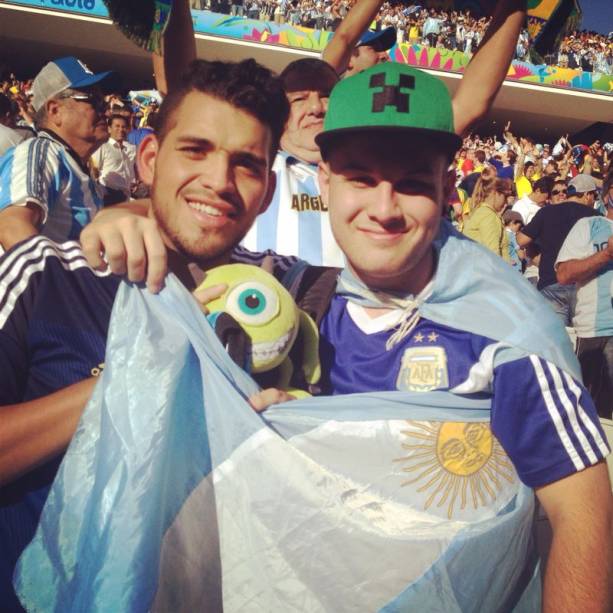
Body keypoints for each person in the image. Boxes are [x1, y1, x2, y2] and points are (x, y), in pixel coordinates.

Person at [80, 62, 612, 610]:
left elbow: (583, 514)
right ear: (325, 182)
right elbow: (197, 239)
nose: (384, 210)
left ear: (447, 188)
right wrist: (129, 213)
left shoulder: (512, 330)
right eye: (360, 178)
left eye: (410, 184)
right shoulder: (297, 290)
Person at [0, 59, 292, 612]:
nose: (218, 181)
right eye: (196, 150)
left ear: (269, 189)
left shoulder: (290, 296)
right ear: (151, 157)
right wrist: (137, 374)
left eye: (246, 165)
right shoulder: (46, 273)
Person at [103, 0, 531, 268]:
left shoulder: (375, 170)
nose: (315, 107)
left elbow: (470, 105)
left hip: (349, 346)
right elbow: (183, 87)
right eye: (298, 99)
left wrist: (515, 6)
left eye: (326, 97)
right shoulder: (255, 166)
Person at [0, 57, 114, 250]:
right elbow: (12, 227)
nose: (106, 112)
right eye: (94, 101)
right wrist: (57, 280)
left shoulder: (73, 163)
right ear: (55, 110)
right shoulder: (40, 151)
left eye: (103, 103)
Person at [556, 182, 613, 419]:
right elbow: (564, 274)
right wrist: (606, 255)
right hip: (595, 331)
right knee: (585, 414)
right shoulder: (589, 226)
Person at [517, 174, 600, 327]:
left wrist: (537, 256)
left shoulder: (546, 212)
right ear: (588, 195)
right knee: (582, 341)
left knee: (555, 343)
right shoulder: (596, 217)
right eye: (594, 195)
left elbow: (522, 240)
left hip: (551, 283)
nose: (594, 200)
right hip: (583, 286)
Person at [461, 166, 514, 259]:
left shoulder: (483, 212)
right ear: (495, 193)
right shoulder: (488, 216)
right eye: (505, 196)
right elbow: (493, 255)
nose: (506, 201)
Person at [91, 114, 137, 205]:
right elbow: (93, 170)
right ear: (109, 129)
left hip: (125, 195)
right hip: (109, 195)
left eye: (123, 127)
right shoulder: (103, 146)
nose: (121, 130)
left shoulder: (126, 149)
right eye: (117, 126)